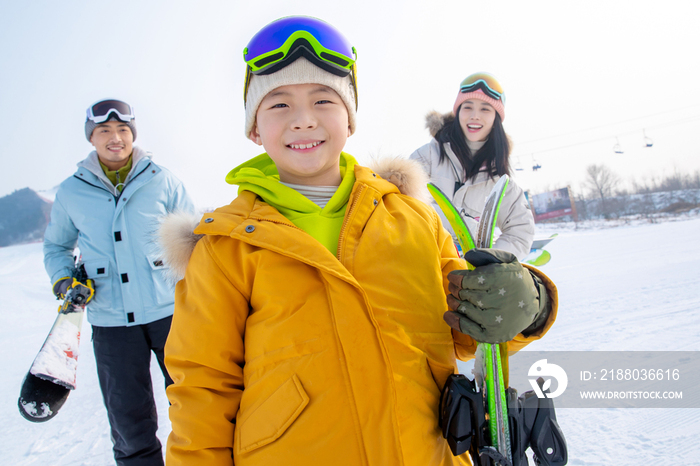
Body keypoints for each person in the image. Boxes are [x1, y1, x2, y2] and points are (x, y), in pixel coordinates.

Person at [161, 16, 557, 466]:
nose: (304, 119)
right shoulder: (227, 248)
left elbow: (470, 329)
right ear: (254, 128)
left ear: (350, 118)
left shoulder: (412, 220)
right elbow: (203, 391)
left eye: (324, 99)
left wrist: (529, 301)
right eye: (279, 105)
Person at [43, 98, 195, 466]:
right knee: (129, 419)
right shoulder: (71, 191)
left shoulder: (162, 179)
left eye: (123, 130)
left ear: (133, 135)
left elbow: (195, 239)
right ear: (92, 139)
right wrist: (65, 281)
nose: (116, 138)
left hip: (170, 313)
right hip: (112, 322)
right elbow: (57, 246)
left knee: (195, 402)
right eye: (105, 131)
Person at [410, 73, 535, 260]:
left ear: (496, 119)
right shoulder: (427, 157)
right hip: (423, 268)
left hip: (471, 282)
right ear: (458, 112)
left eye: (485, 109)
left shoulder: (500, 179)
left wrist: (493, 261)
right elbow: (402, 206)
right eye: (467, 107)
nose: (475, 116)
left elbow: (520, 229)